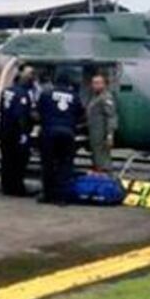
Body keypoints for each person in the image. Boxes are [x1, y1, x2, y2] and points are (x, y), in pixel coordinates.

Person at [37, 71, 84, 204]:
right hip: (67, 133)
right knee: (65, 165)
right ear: (69, 84)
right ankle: (62, 197)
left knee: (48, 164)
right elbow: (80, 114)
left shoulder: (46, 94)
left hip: (49, 132)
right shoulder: (75, 96)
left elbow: (39, 111)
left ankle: (48, 195)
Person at [0, 67, 36, 196]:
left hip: (5, 129)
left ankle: (6, 186)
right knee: (19, 161)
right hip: (16, 132)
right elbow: (21, 115)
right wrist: (24, 133)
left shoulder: (6, 91)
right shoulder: (22, 94)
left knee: (6, 160)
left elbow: (1, 110)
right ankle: (17, 188)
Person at [86, 73, 118, 172]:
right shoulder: (95, 97)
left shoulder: (106, 97)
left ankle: (106, 176)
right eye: (93, 83)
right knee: (97, 157)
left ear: (104, 84)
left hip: (102, 134)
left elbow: (111, 116)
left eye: (98, 83)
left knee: (103, 159)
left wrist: (110, 135)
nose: (95, 85)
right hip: (95, 134)